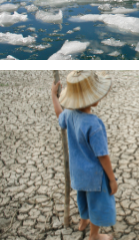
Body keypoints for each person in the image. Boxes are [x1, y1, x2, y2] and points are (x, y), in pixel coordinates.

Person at [50, 71, 117, 240]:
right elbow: (102, 155)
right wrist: (111, 178)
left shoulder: (70, 115)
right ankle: (94, 235)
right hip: (94, 176)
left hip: (77, 173)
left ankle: (82, 222)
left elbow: (59, 115)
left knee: (83, 198)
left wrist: (54, 96)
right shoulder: (94, 125)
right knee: (96, 204)